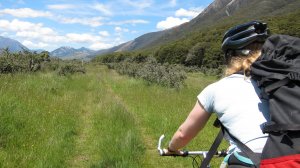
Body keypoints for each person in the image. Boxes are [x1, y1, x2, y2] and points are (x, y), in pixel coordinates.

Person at [163, 21, 270, 167]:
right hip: (291, 157)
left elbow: (183, 134)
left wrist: (172, 148)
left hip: (250, 162)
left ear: (230, 56)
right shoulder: (280, 84)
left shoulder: (216, 89)